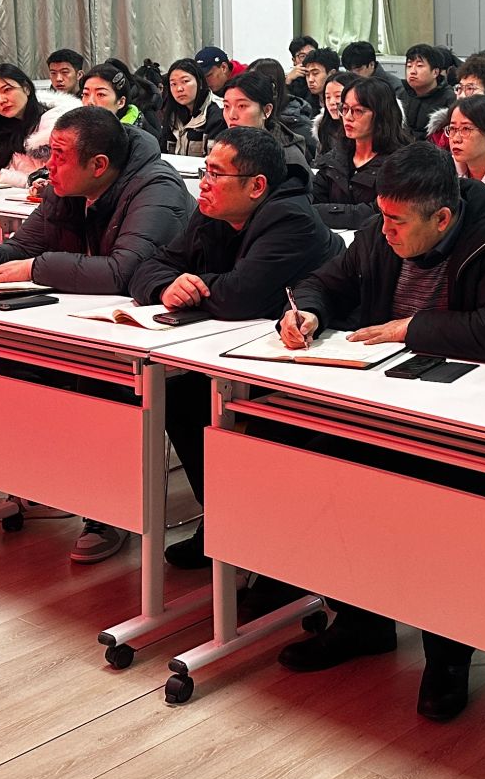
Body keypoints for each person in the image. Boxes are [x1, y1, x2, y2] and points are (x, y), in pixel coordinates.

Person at [277, 143, 485, 721]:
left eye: (397, 221)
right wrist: (309, 312)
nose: (385, 229)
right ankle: (360, 618)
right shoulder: (382, 230)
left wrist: (407, 328)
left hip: (470, 421)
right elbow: (324, 281)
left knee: (437, 502)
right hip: (385, 402)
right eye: (382, 216)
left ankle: (448, 653)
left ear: (441, 218)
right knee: (315, 465)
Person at [0, 106, 191, 563]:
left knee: (102, 385)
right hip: (81, 320)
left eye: (58, 156)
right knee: (11, 352)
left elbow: (124, 272)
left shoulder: (157, 189)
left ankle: (109, 511)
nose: (48, 166)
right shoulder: (67, 188)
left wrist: (35, 268)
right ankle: (44, 483)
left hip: (148, 335)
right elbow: (26, 245)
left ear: (98, 165)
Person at [129, 126, 343, 565]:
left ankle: (266, 548)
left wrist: (190, 284)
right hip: (231, 355)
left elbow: (239, 297)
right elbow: (149, 266)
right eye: (204, 171)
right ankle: (221, 520)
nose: (203, 184)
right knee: (176, 391)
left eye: (215, 173)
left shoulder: (291, 219)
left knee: (238, 417)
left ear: (256, 186)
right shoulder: (213, 211)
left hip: (298, 365)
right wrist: (168, 285)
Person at [312, 74, 408, 227]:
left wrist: (323, 213)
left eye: (358, 111)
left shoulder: (400, 162)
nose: (348, 117)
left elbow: (378, 213)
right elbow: (310, 202)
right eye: (344, 109)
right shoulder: (337, 155)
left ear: (381, 115)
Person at [0, 64, 68, 185]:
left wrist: (1, 178)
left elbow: (49, 178)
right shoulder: (6, 126)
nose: (1, 100)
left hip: (37, 196)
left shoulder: (50, 124)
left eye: (7, 90)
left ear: (26, 88)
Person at [218, 71, 310, 173]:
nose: (231, 115)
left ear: (267, 110)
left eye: (242, 106)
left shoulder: (288, 156)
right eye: (226, 106)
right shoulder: (223, 146)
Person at [159, 59, 216, 156]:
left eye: (185, 81)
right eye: (173, 84)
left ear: (200, 82)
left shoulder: (216, 113)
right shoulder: (172, 114)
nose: (179, 89)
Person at [399, 43, 454, 138]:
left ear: (435, 72)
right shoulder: (401, 94)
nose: (412, 71)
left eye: (419, 66)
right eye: (409, 66)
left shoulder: (449, 99)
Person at [78, 59, 146, 130]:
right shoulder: (75, 130)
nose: (90, 102)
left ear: (121, 102)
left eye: (101, 94)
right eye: (85, 94)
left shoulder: (137, 136)